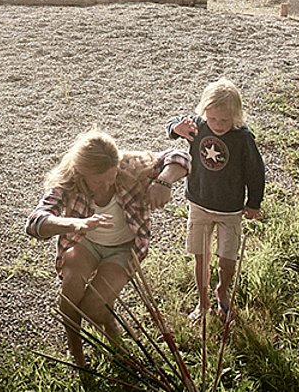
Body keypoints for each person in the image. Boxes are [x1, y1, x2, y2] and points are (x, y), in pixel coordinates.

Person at [26, 130, 190, 364]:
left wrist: (164, 182)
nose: (105, 186)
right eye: (96, 181)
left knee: (92, 309)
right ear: (81, 173)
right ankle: (76, 353)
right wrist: (76, 224)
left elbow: (181, 156)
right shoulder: (69, 180)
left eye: (110, 178)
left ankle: (109, 323)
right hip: (85, 243)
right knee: (71, 292)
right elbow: (35, 222)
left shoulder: (129, 165)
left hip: (124, 249)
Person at [166, 78, 265, 321]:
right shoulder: (197, 126)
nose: (218, 125)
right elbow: (174, 124)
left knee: (227, 258)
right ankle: (203, 302)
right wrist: (175, 128)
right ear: (204, 112)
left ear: (236, 116)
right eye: (213, 119)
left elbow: (256, 171)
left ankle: (223, 289)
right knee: (201, 255)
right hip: (199, 202)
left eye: (224, 120)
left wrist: (254, 203)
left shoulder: (243, 138)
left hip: (230, 208)